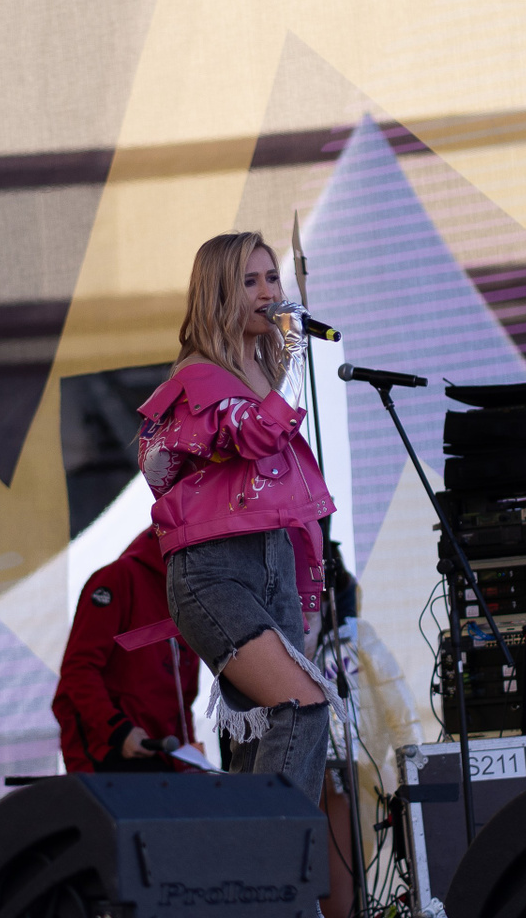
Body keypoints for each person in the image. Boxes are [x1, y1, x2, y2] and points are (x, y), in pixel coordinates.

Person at [133, 231, 340, 805]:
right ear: (218, 293)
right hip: (215, 572)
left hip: (272, 562)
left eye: (272, 278)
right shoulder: (197, 380)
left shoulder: (263, 374)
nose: (267, 293)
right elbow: (255, 436)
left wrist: (307, 589)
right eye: (249, 282)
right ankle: (279, 853)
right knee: (302, 706)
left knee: (265, 732)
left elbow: (285, 496)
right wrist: (295, 353)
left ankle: (252, 856)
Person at [53, 527, 201, 772]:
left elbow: (183, 700)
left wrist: (189, 761)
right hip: (109, 750)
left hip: (161, 756)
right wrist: (117, 730)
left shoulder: (192, 600)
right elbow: (78, 670)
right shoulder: (118, 578)